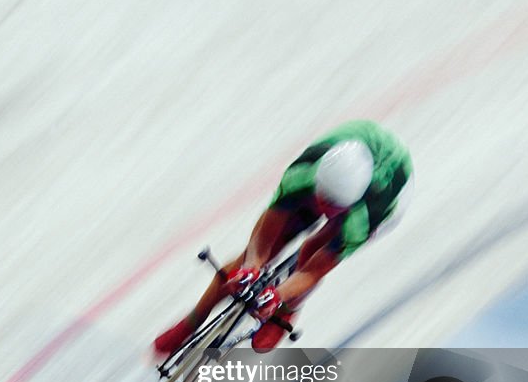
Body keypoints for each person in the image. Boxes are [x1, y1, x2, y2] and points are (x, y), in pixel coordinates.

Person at [154, 119, 413, 354]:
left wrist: (279, 296)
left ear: (348, 205)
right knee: (264, 248)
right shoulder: (303, 173)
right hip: (351, 153)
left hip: (388, 198)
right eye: (320, 197)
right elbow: (265, 235)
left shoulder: (364, 218)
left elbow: (313, 271)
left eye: (331, 206)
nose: (323, 208)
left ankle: (289, 311)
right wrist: (251, 266)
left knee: (312, 249)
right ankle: (192, 320)